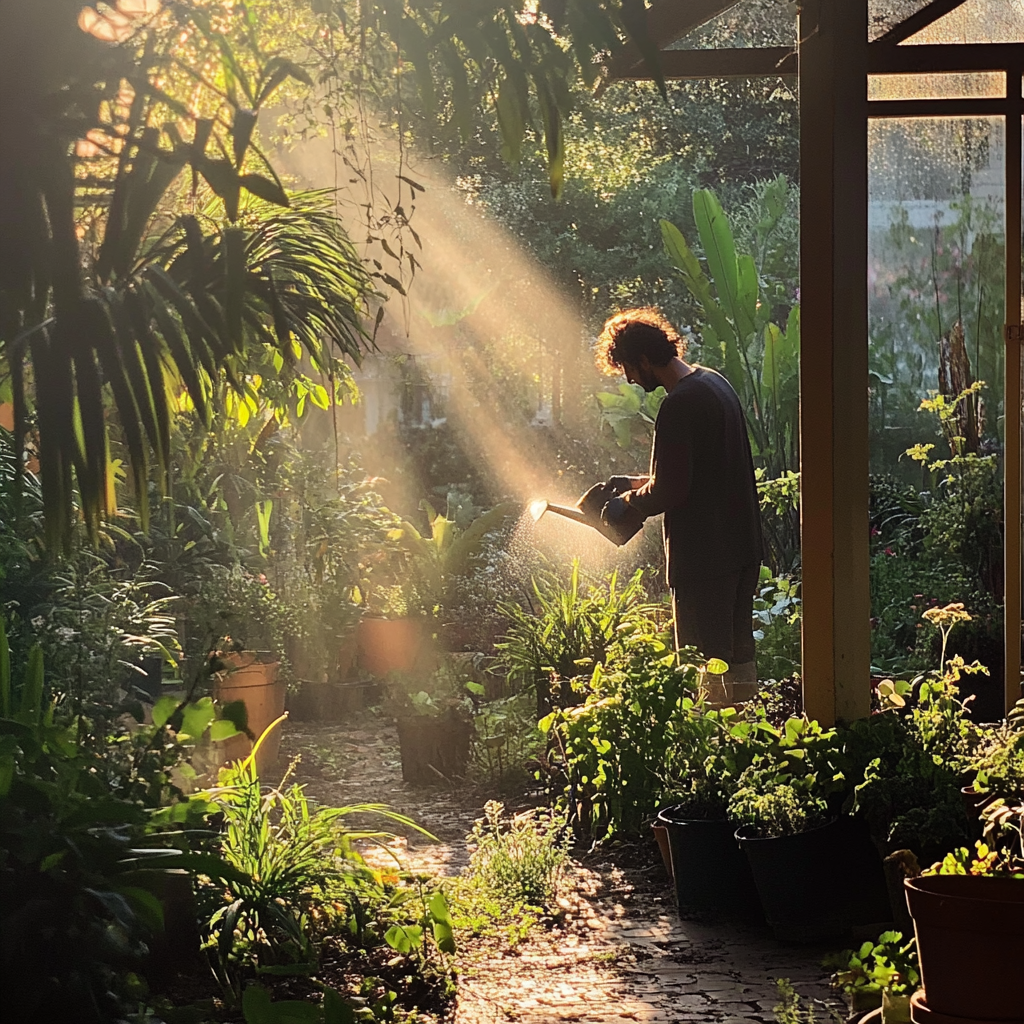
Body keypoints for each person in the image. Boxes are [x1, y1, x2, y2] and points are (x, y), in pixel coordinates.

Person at [588, 307, 763, 700]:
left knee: (707, 666)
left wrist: (626, 503)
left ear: (645, 360)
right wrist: (636, 482)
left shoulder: (678, 405)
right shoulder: (714, 384)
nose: (630, 379)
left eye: (629, 369)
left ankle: (717, 750)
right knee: (739, 660)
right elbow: (703, 470)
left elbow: (671, 492)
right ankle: (752, 743)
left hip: (705, 560)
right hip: (741, 548)